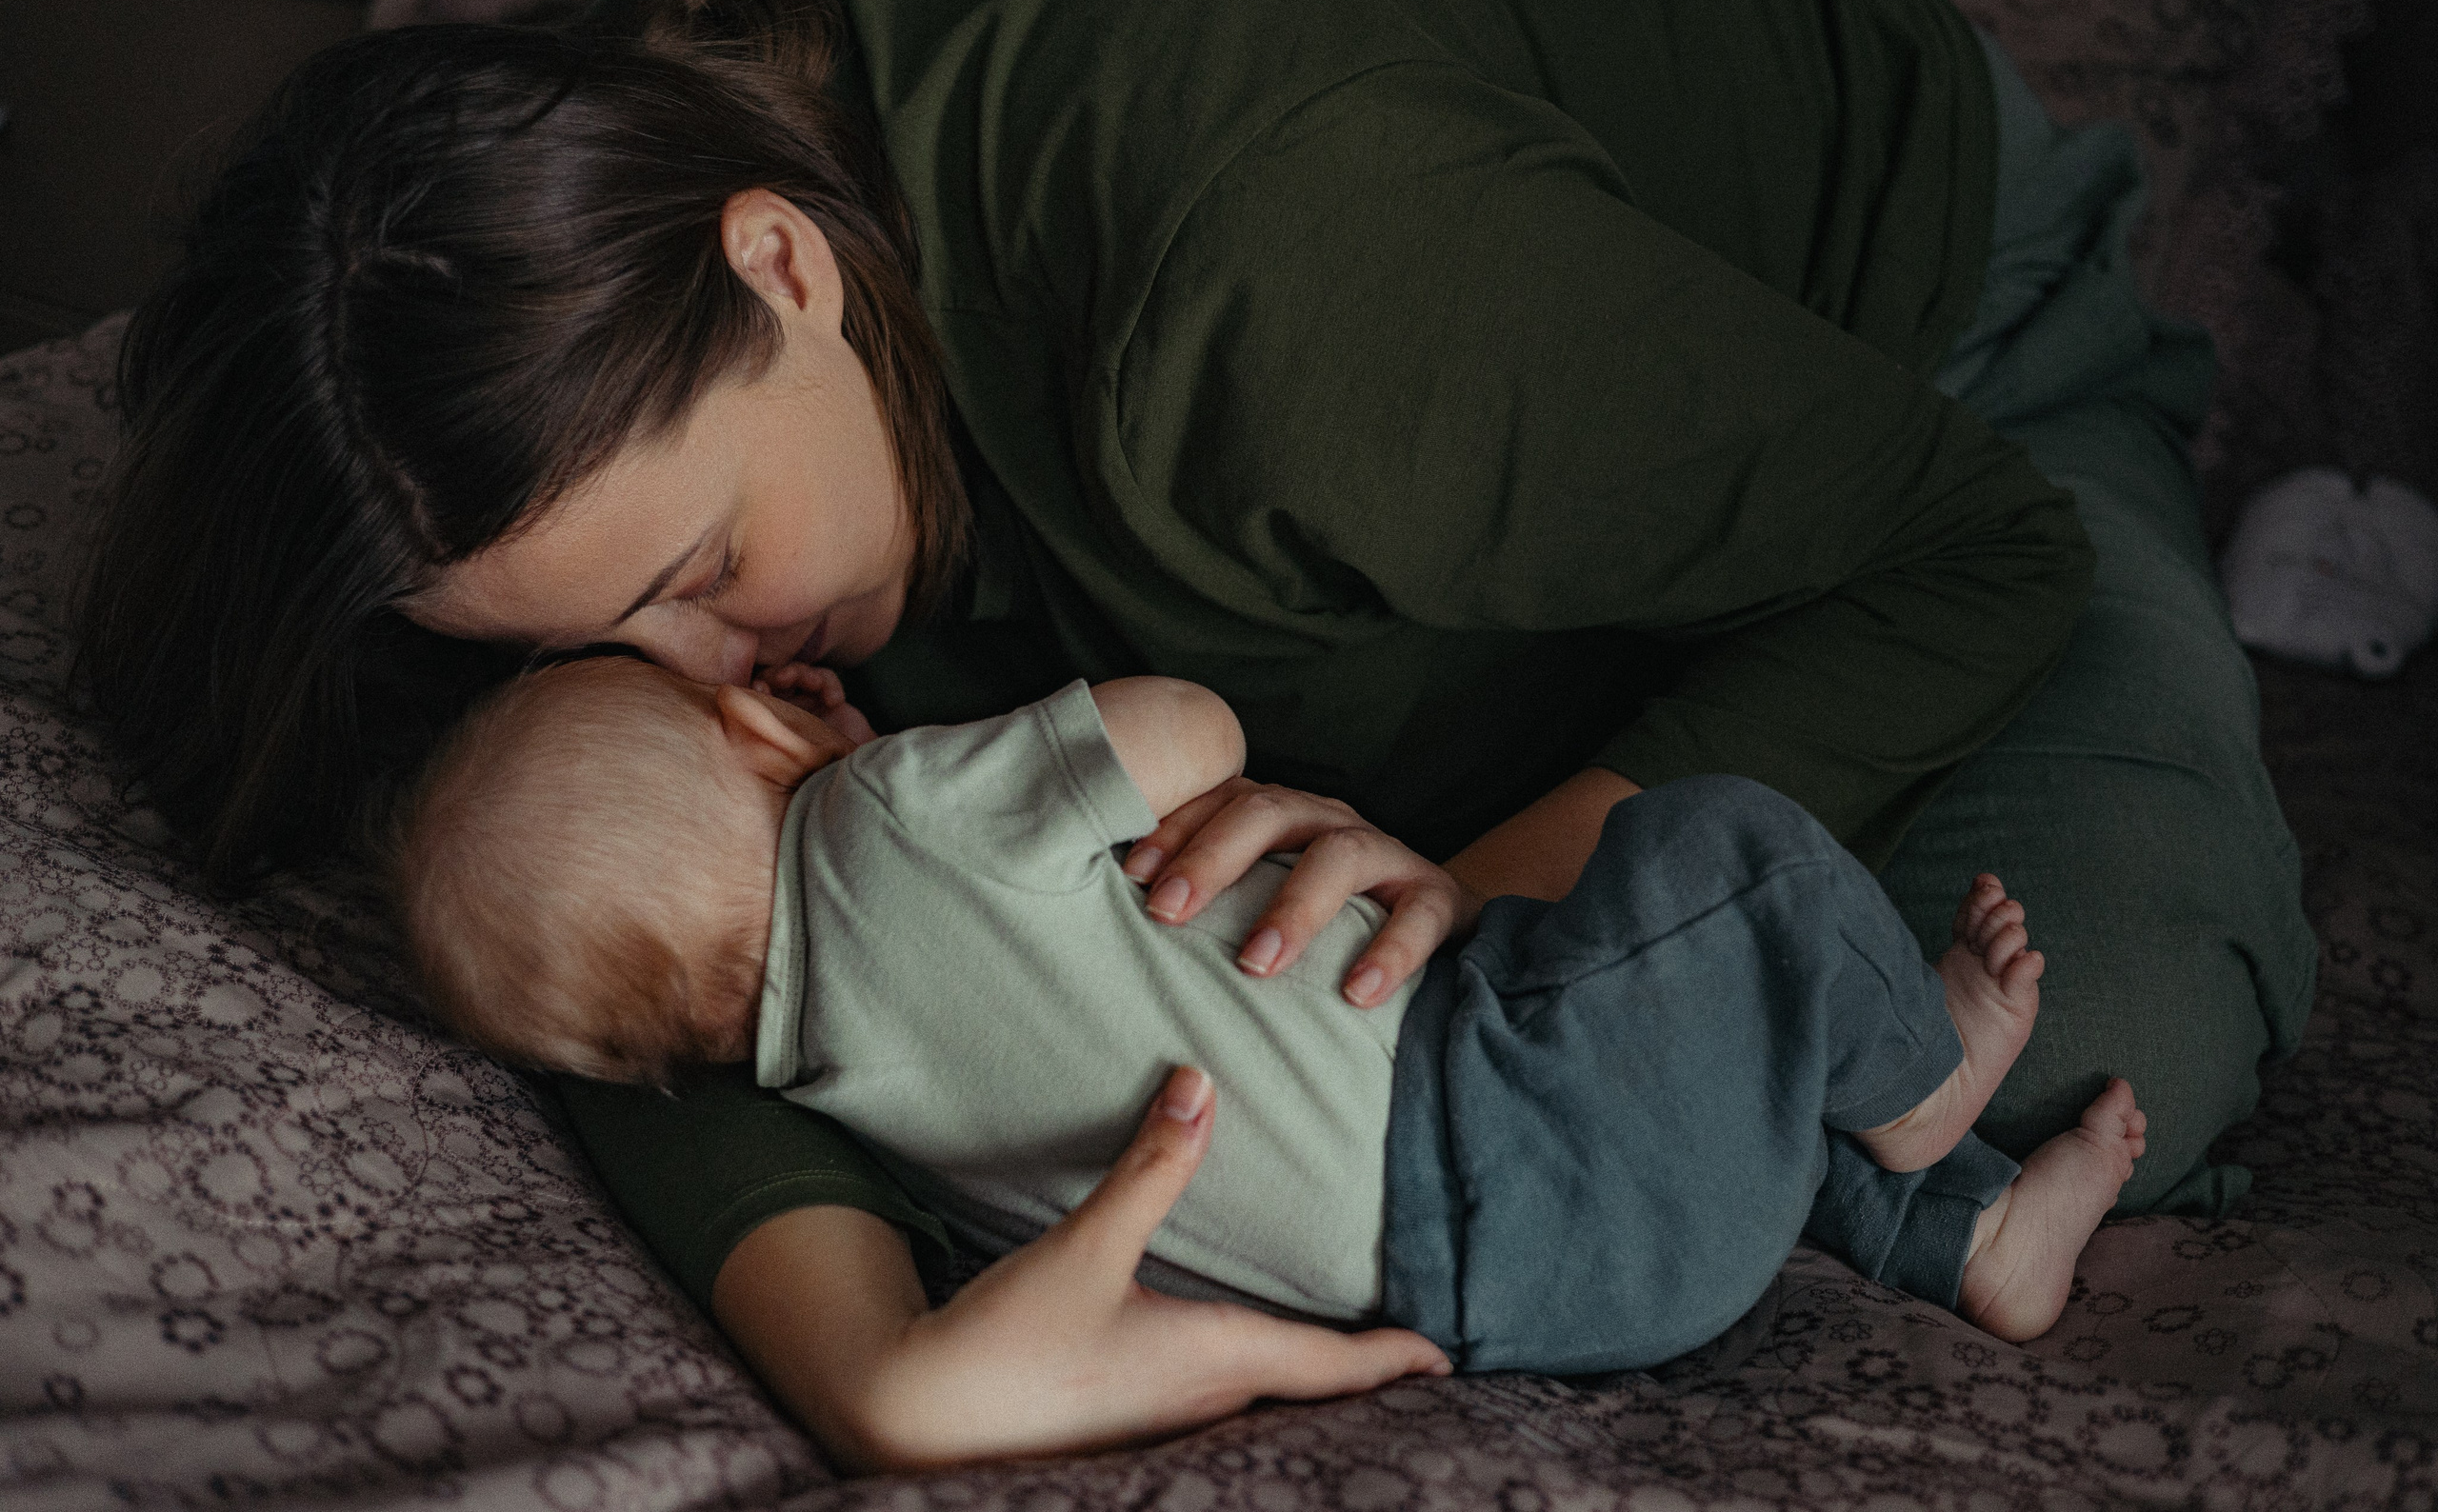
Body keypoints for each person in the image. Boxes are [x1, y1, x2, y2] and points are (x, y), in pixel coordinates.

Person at [75, 0, 2315, 1474]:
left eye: (698, 574)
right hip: (1426, 434)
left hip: (1923, 360)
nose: (676, 683)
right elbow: (625, 913)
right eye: (592, 641)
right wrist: (882, 1368)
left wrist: (1482, 905)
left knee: (2059, 1027)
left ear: (781, 265)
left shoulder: (1266, 282)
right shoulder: (519, 268)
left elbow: (1956, 547)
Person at [391, 653, 2148, 1365]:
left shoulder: (840, 1106)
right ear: (754, 732)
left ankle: (1970, 1238)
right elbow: (1188, 736)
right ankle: (1927, 1097)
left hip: (1533, 1300)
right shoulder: (876, 818)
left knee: (1719, 1076)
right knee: (1711, 856)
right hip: (1502, 1104)